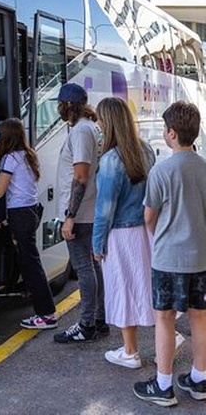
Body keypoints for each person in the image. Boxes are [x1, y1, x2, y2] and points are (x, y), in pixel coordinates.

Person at [133, 101, 206, 407]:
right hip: (200, 257)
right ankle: (200, 378)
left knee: (164, 318)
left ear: (171, 133)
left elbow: (149, 216)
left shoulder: (161, 171)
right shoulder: (204, 168)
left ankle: (163, 385)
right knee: (199, 316)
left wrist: (160, 235)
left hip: (168, 258)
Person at [0, 118, 58, 330]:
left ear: (6, 137)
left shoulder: (10, 159)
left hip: (20, 216)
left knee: (31, 266)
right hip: (30, 212)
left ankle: (47, 315)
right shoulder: (28, 155)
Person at [92, 97, 155, 368]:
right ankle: (170, 335)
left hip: (119, 234)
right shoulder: (146, 149)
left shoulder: (110, 160)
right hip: (145, 230)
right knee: (147, 286)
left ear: (108, 122)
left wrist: (97, 244)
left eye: (99, 119)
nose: (97, 124)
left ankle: (130, 352)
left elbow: (104, 209)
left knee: (123, 288)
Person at [52, 83, 108, 343]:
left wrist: (70, 215)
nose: (58, 109)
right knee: (93, 267)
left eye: (60, 104)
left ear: (69, 105)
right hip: (88, 211)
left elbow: (81, 176)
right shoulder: (89, 128)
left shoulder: (82, 131)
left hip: (81, 213)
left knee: (85, 268)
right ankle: (99, 320)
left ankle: (87, 324)